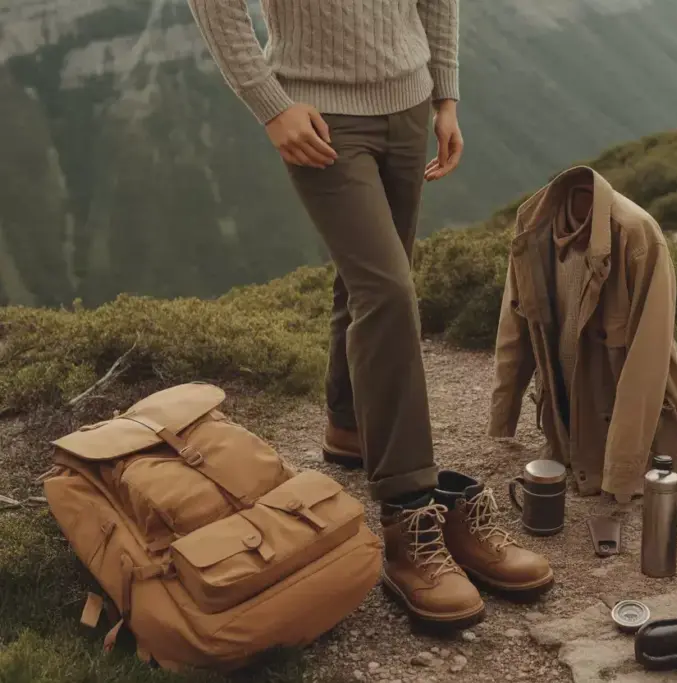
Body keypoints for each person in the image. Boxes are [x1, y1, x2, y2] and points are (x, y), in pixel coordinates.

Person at [186, 0, 551, 629]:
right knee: (388, 293)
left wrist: (445, 97)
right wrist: (270, 104)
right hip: (321, 117)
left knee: (371, 281)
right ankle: (410, 510)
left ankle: (349, 424)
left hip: (409, 106)